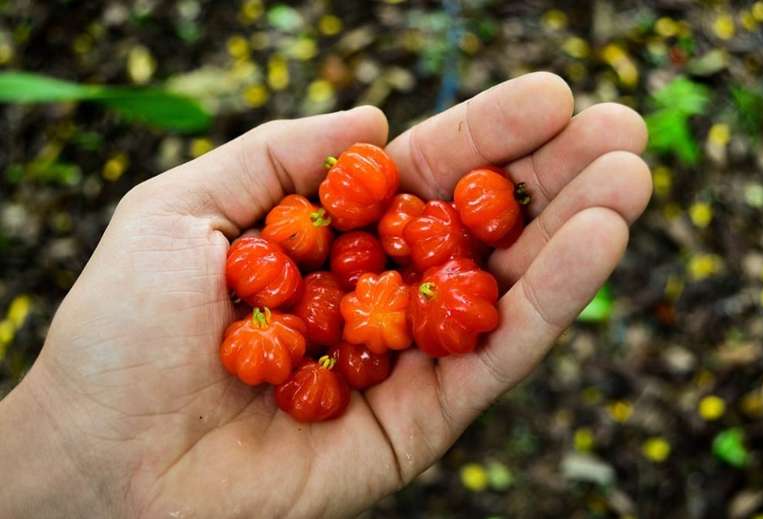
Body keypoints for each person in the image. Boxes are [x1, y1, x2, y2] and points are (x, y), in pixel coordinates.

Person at [0, 72, 651, 518]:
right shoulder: (309, 279)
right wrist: (76, 441)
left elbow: (392, 287)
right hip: (357, 311)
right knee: (371, 315)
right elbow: (352, 297)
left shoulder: (399, 254)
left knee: (379, 312)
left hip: (396, 294)